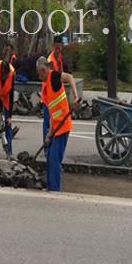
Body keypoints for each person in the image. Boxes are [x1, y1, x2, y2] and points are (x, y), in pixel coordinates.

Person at [36, 56, 80, 192]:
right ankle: (50, 187)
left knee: (54, 159)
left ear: (43, 70)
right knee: (50, 157)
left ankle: (54, 189)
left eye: (39, 73)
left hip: (63, 126)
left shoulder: (54, 76)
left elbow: (70, 78)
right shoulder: (47, 86)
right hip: (56, 127)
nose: (39, 77)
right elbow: (52, 112)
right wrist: (49, 134)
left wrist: (75, 96)